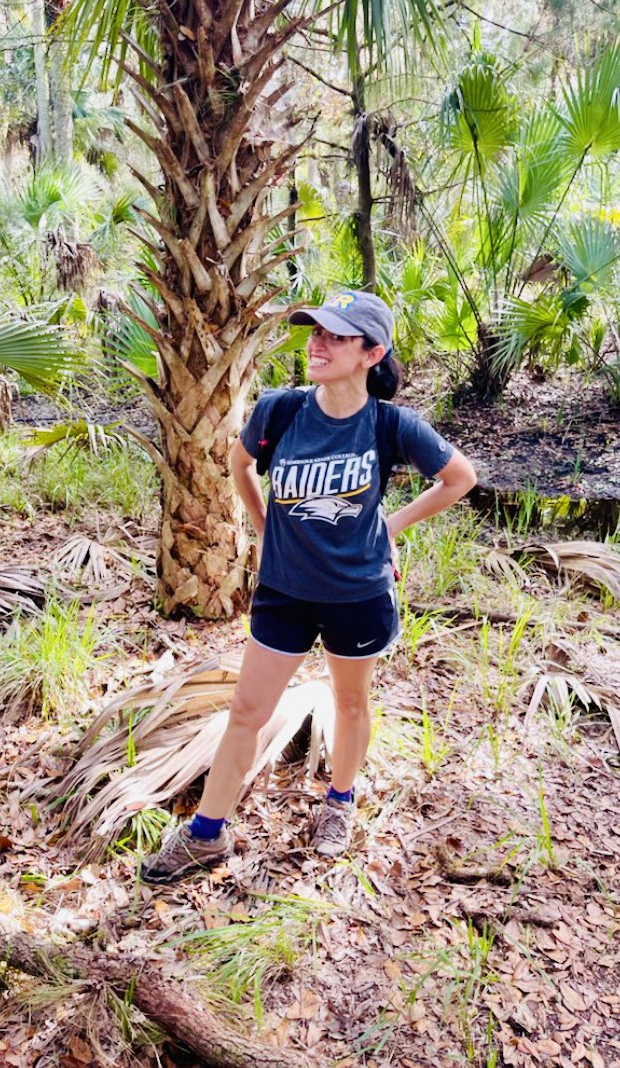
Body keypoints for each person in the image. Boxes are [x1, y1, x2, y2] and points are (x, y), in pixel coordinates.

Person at [141, 290, 477, 884]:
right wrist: (265, 528)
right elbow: (240, 463)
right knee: (246, 710)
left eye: (335, 336)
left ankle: (340, 803)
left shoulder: (390, 424)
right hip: (285, 592)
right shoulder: (282, 411)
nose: (316, 344)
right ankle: (206, 835)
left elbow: (459, 478)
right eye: (313, 331)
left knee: (349, 703)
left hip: (357, 595)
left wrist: (388, 525)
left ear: (372, 353)